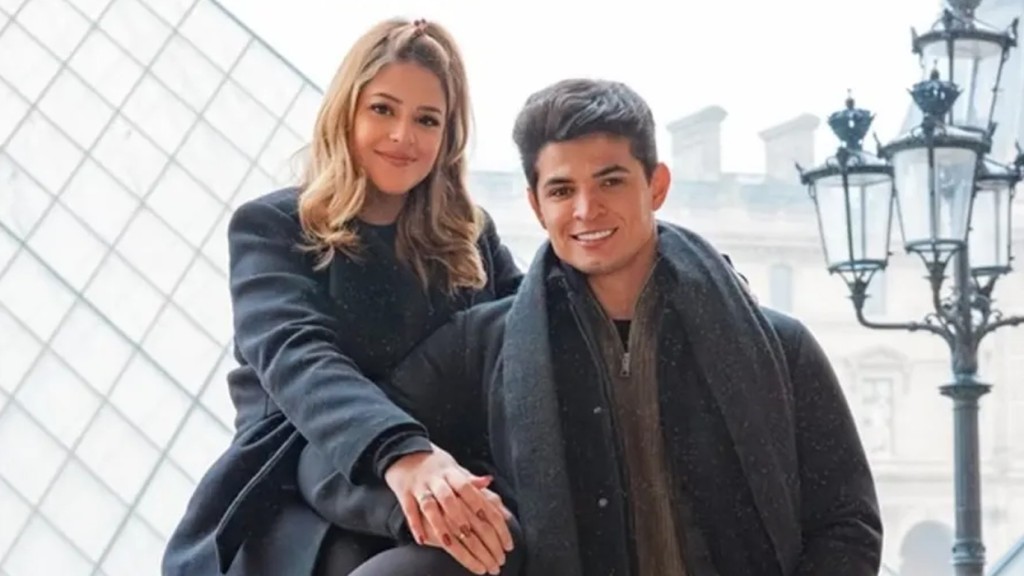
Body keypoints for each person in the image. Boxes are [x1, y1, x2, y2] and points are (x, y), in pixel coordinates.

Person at [297, 78, 884, 575]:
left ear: (656, 185)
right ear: (536, 206)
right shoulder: (484, 348)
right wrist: (422, 489)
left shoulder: (780, 346)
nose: (586, 209)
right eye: (561, 190)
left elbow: (847, 521)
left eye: (610, 181)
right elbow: (326, 461)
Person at [162, 18, 524, 576]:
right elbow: (299, 357)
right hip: (302, 488)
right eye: (383, 109)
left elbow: (530, 337)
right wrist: (403, 452)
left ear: (447, 137)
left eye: (426, 119)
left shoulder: (470, 237)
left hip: (453, 485)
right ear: (345, 112)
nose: (403, 135)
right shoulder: (273, 227)